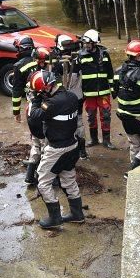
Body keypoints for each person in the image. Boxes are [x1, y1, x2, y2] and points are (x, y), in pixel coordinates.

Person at [27, 70, 84, 229]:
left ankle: (55, 217)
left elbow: (35, 116)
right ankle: (77, 214)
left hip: (56, 149)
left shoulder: (51, 103)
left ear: (45, 88)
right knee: (68, 179)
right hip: (72, 145)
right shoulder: (72, 97)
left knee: (43, 182)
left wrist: (35, 100)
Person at [113, 39, 140, 177]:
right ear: (139, 56)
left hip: (123, 115)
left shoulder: (118, 71)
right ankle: (133, 171)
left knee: (135, 143)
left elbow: (114, 93)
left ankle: (136, 175)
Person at [76, 29, 116, 149]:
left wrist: (113, 88)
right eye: (85, 43)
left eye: (88, 43)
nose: (86, 45)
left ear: (94, 43)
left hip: (104, 92)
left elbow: (110, 72)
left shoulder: (104, 54)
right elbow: (76, 76)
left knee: (106, 116)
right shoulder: (80, 55)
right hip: (88, 94)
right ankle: (93, 139)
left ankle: (106, 141)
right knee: (91, 116)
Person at [50, 34, 87, 159]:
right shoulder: (76, 58)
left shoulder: (66, 62)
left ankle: (77, 149)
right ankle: (79, 150)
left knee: (71, 123)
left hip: (70, 98)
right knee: (77, 122)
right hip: (76, 97)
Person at [21, 46, 51, 185]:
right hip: (39, 113)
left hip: (31, 111)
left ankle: (29, 175)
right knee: (45, 147)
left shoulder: (32, 75)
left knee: (35, 144)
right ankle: (43, 177)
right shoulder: (41, 77)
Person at [10, 35, 37, 123]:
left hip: (34, 101)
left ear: (21, 49)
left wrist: (16, 112)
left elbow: (16, 91)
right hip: (50, 100)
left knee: (34, 126)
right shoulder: (41, 58)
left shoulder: (18, 66)